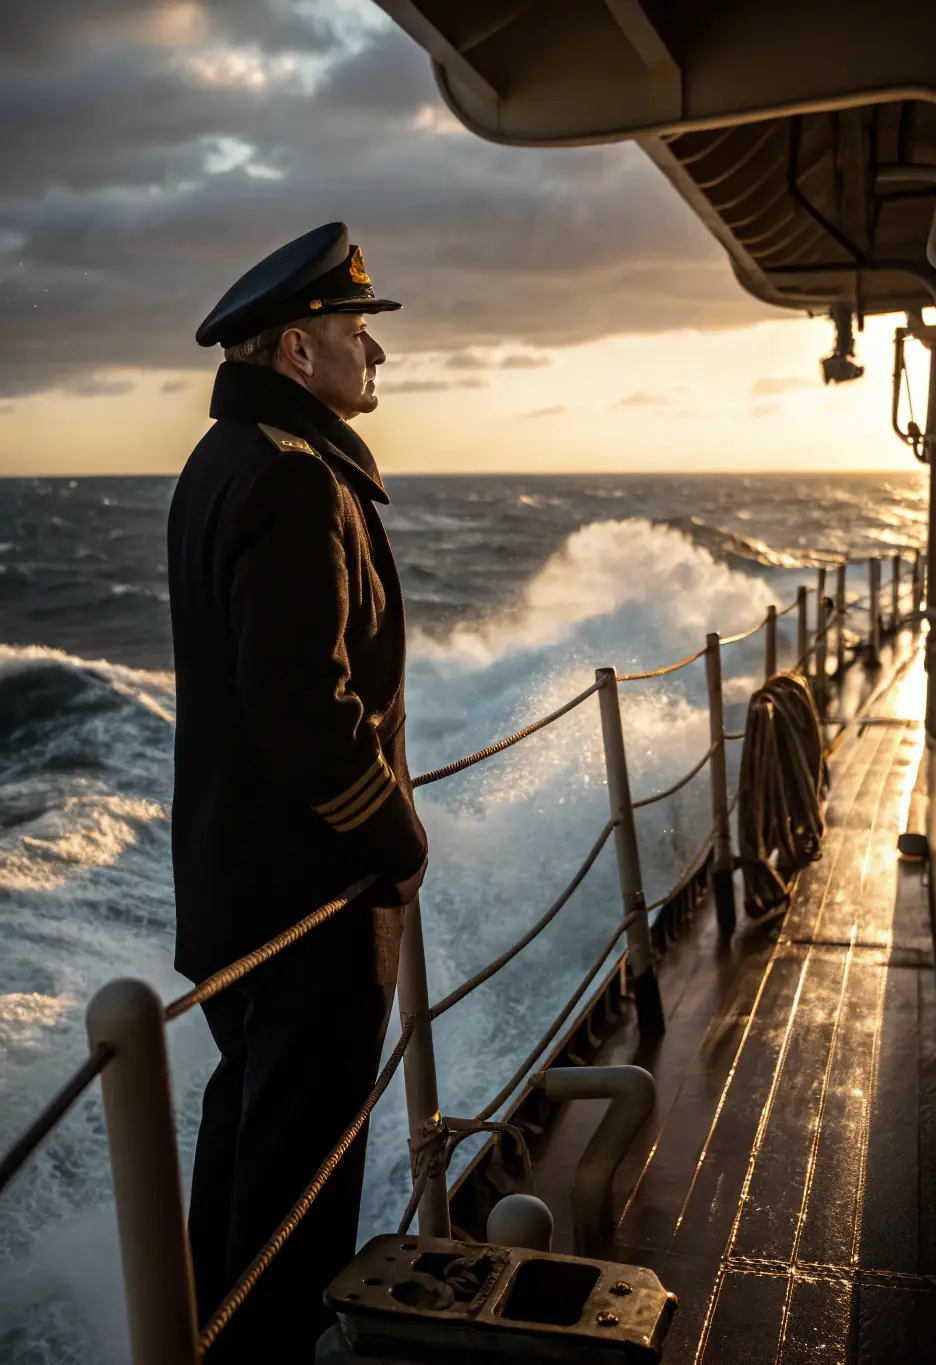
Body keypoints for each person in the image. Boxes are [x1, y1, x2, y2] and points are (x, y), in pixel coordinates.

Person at [167, 222, 428, 1361]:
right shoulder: (293, 480)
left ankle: (204, 1337)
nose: (376, 354)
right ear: (293, 350)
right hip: (307, 898)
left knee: (246, 1144)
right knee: (296, 1182)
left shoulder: (225, 461)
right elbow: (301, 710)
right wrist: (396, 835)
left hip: (242, 887)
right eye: (354, 331)